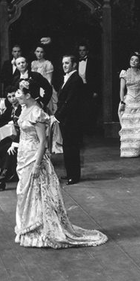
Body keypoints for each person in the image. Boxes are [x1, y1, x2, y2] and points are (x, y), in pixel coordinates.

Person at [14, 79, 107, 248]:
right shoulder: (25, 109)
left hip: (35, 157)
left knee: (38, 192)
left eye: (19, 92)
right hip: (23, 156)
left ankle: (43, 230)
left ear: (28, 95)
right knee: (25, 192)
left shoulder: (36, 112)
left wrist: (36, 164)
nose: (16, 95)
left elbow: (43, 142)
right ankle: (29, 228)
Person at [55, 55, 84, 185]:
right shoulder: (67, 78)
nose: (64, 66)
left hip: (72, 119)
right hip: (66, 119)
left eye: (67, 63)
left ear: (74, 65)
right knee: (67, 147)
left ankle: (75, 175)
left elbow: (70, 101)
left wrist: (57, 115)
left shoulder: (76, 79)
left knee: (72, 147)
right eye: (63, 63)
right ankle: (70, 173)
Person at [0, 85, 22, 192]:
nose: (12, 98)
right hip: (20, 138)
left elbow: (25, 129)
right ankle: (11, 173)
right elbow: (3, 118)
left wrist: (16, 143)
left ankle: (1, 181)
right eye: (9, 97)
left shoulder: (23, 107)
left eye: (14, 95)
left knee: (9, 151)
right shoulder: (12, 108)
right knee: (2, 149)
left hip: (26, 138)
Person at [119, 52, 140, 157]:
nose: (133, 62)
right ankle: (128, 151)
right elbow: (122, 89)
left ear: (139, 63)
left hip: (139, 101)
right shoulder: (125, 73)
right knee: (129, 126)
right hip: (129, 101)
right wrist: (122, 101)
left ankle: (138, 149)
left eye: (136, 60)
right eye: (132, 59)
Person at [77, 43, 101, 134]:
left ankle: (90, 130)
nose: (82, 52)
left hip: (89, 87)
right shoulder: (76, 62)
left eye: (83, 50)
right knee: (80, 109)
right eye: (80, 50)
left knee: (90, 108)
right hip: (79, 88)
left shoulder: (93, 62)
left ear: (87, 51)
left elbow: (97, 77)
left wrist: (95, 91)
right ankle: (81, 130)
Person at [31, 44, 58, 114]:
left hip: (44, 87)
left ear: (44, 53)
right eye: (37, 51)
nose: (39, 54)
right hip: (35, 88)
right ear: (34, 52)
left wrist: (44, 90)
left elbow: (49, 80)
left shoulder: (47, 63)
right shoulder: (33, 63)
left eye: (41, 52)